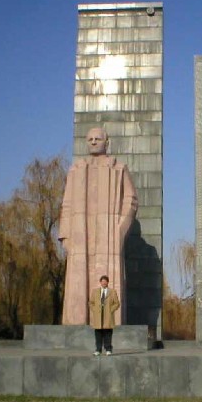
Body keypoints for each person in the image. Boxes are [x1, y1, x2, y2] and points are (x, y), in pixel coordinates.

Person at [58, 127, 138, 326]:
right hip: (80, 233)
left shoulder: (119, 168)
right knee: (79, 282)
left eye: (97, 139)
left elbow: (131, 200)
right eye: (90, 139)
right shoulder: (76, 169)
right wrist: (65, 235)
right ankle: (78, 321)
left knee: (107, 281)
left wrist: (120, 228)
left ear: (106, 142)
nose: (93, 142)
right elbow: (66, 204)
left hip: (108, 234)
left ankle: (106, 323)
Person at [89, 275, 119, 355]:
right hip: (98, 316)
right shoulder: (95, 291)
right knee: (98, 333)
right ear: (100, 282)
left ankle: (108, 349)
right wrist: (95, 310)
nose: (104, 283)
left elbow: (117, 303)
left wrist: (110, 310)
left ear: (108, 282)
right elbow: (91, 303)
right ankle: (98, 350)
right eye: (102, 281)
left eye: (105, 281)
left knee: (108, 333)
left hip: (108, 316)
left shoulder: (112, 292)